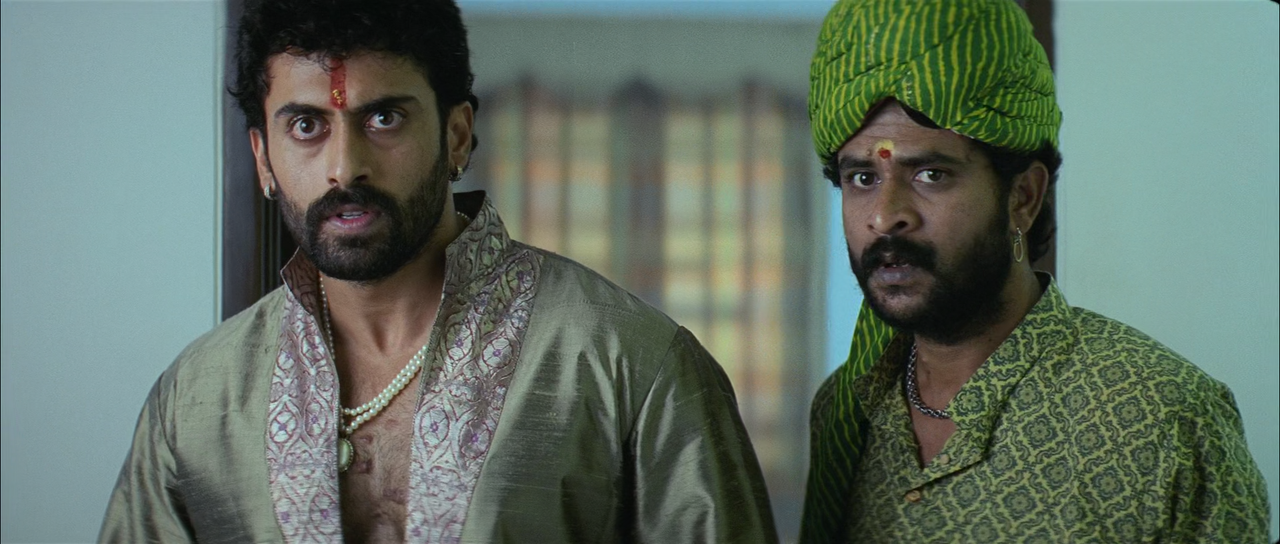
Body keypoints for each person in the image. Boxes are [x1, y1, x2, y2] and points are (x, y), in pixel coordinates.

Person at [98, 0, 777, 541]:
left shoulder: (631, 365)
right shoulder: (194, 403)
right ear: (262, 159)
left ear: (456, 135)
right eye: (306, 126)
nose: (345, 167)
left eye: (384, 118)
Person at [799, 0, 1270, 542]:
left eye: (931, 174)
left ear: (1023, 196)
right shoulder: (846, 410)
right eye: (862, 178)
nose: (885, 217)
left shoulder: (1162, 418)